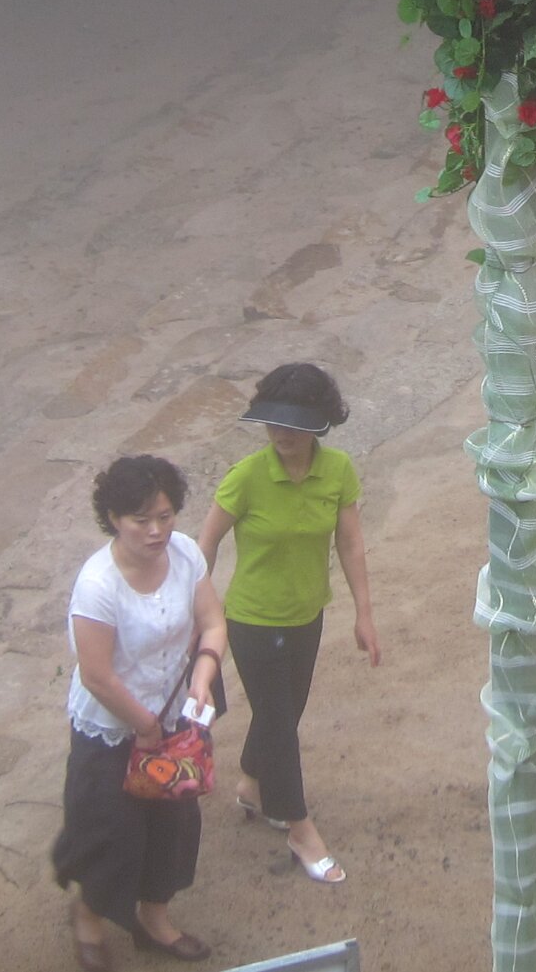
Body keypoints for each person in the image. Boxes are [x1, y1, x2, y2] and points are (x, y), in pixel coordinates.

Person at [196, 363, 378, 886]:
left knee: (285, 712)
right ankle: (300, 827)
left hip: (307, 615)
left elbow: (350, 542)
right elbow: (204, 546)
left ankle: (252, 786)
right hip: (252, 621)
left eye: (295, 424)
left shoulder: (338, 470)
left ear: (320, 423)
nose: (282, 433)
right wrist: (198, 616)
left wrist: (364, 613)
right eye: (274, 422)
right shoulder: (247, 476)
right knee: (279, 722)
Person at [52, 454, 227, 969]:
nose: (156, 531)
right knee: (110, 831)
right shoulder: (98, 585)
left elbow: (212, 621)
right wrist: (143, 724)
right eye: (141, 519)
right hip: (112, 727)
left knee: (174, 825)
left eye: (165, 516)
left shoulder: (186, 553)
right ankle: (89, 916)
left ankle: (155, 918)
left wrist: (203, 673)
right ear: (113, 518)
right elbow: (97, 675)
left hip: (173, 719)